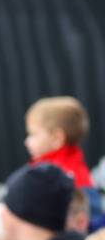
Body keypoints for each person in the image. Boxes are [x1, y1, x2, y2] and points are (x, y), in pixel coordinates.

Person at [23, 95, 102, 229]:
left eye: (33, 134)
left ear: (57, 138)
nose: (26, 142)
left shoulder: (58, 178)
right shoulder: (73, 168)